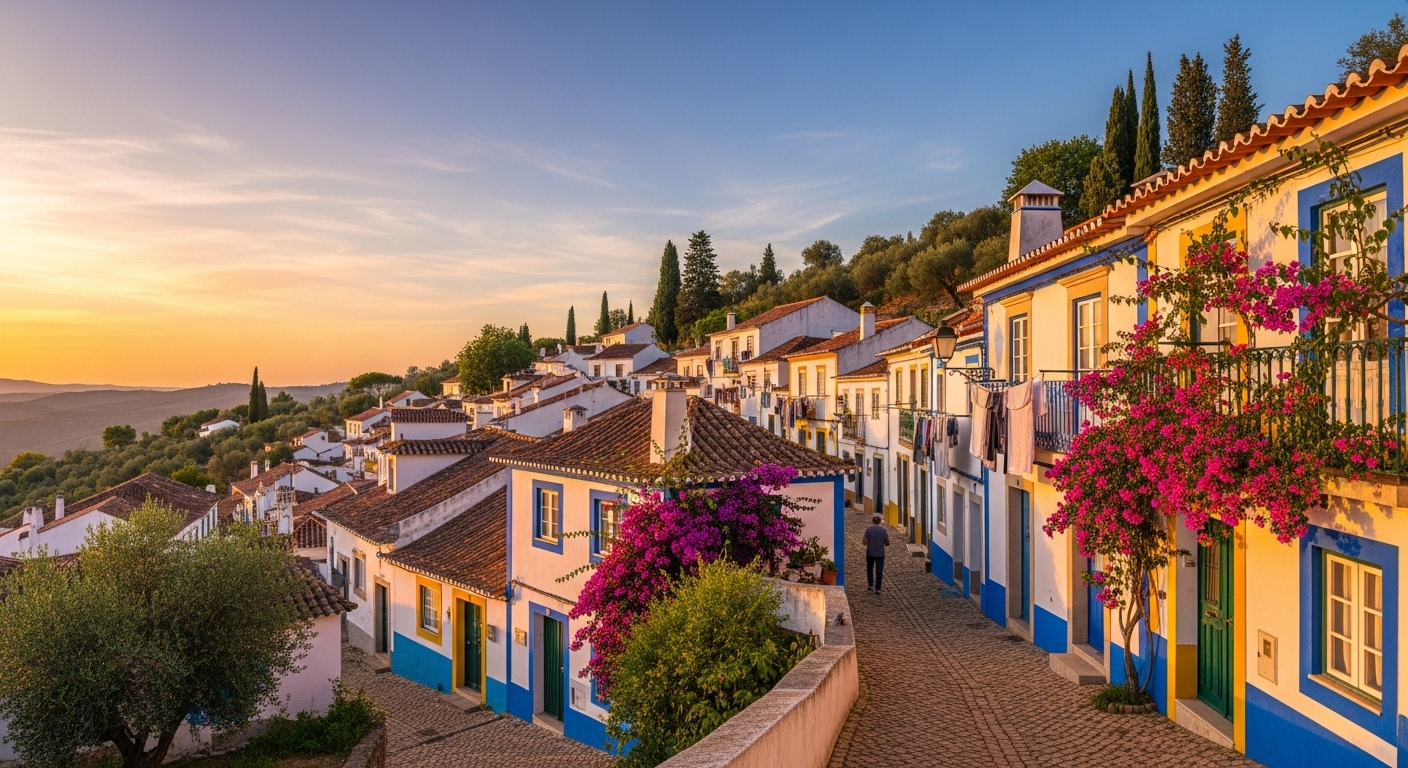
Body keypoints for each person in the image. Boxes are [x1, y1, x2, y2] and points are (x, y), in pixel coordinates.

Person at [862, 515, 889, 594]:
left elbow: (863, 542)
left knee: (869, 569)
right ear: (880, 521)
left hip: (870, 553)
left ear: (873, 521)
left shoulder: (868, 530)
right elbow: (887, 543)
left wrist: (868, 542)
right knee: (879, 571)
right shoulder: (883, 530)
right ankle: (878, 588)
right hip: (880, 554)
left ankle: (870, 585)